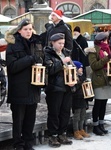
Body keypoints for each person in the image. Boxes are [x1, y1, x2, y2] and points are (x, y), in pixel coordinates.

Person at [6, 18, 43, 150]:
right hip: (19, 89)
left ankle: (28, 143)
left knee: (30, 120)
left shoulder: (36, 44)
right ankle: (18, 145)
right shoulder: (12, 44)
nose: (28, 32)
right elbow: (12, 67)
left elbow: (41, 61)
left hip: (33, 88)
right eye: (25, 29)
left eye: (30, 29)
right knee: (18, 120)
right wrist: (29, 59)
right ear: (19, 31)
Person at [44, 33, 74, 148]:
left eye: (63, 43)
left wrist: (76, 74)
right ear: (53, 43)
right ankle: (53, 135)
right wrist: (62, 62)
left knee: (65, 112)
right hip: (54, 87)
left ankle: (62, 133)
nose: (62, 45)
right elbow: (49, 70)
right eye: (59, 43)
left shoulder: (66, 52)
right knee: (54, 112)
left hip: (67, 86)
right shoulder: (48, 53)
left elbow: (71, 68)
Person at [87, 32, 111, 135]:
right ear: (102, 41)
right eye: (106, 40)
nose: (108, 41)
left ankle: (101, 123)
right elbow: (94, 65)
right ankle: (95, 125)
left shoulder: (107, 49)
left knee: (104, 103)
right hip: (98, 79)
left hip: (107, 79)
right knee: (98, 103)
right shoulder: (93, 51)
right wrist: (107, 58)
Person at [72, 60, 90, 140]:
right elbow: (74, 89)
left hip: (83, 98)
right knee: (77, 116)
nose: (81, 69)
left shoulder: (83, 76)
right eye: (80, 68)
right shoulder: (73, 77)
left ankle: (81, 129)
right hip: (76, 99)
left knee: (83, 115)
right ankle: (76, 131)